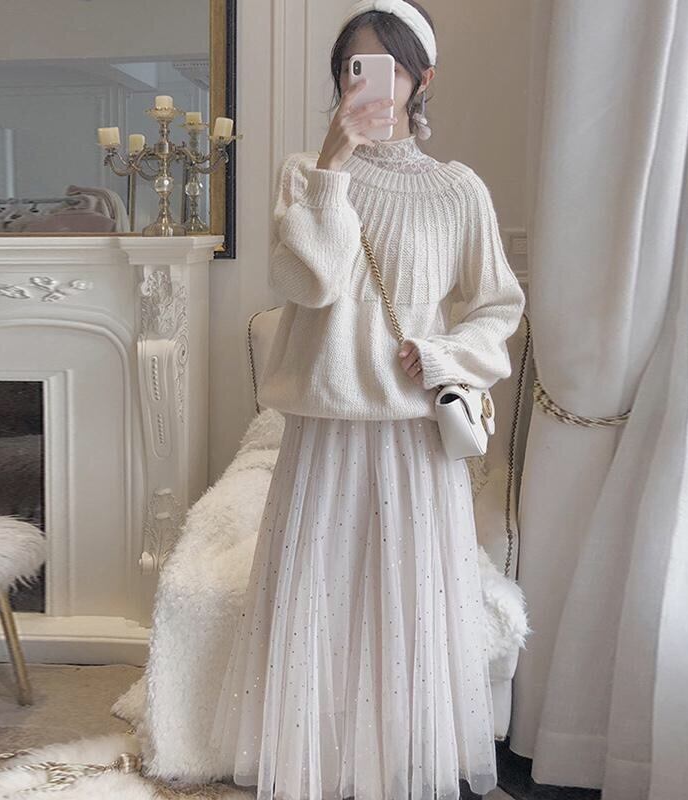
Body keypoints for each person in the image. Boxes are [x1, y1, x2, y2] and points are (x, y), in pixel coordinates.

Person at [208, 2, 526, 799]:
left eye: (387, 64)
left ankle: (395, 761)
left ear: (422, 77)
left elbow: (498, 305)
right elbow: (307, 283)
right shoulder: (306, 172)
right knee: (319, 593)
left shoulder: (459, 190)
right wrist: (331, 167)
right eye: (355, 65)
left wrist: (444, 354)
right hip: (325, 427)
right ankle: (315, 759)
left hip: (413, 427)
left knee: (405, 600)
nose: (370, 81)